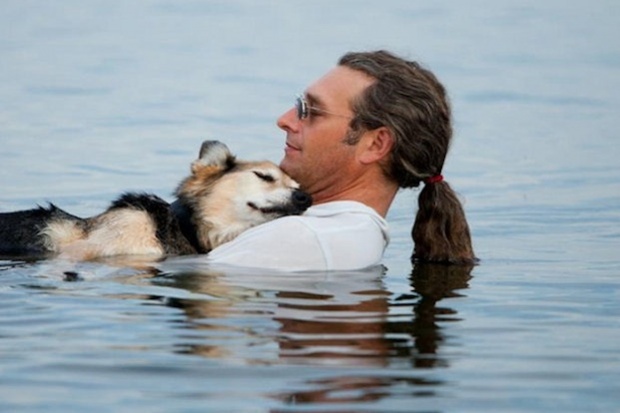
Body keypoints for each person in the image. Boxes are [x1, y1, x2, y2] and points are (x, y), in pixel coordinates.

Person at [206, 50, 476, 271]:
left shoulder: (305, 238)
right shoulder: (348, 234)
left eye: (311, 111)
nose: (285, 120)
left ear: (375, 145)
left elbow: (184, 288)